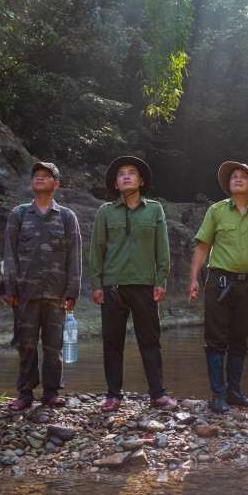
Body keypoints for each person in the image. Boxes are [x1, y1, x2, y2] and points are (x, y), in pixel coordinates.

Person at [187, 161, 248, 413]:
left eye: (243, 177)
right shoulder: (216, 211)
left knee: (240, 339)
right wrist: (193, 277)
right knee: (216, 340)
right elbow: (203, 246)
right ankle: (217, 393)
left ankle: (234, 392)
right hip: (219, 283)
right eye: (233, 177)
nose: (237, 179)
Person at [90, 155, 179, 413]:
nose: (126, 176)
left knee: (150, 339)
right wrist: (97, 284)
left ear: (141, 181)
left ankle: (158, 394)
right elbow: (97, 250)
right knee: (112, 341)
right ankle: (113, 395)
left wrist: (161, 279)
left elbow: (162, 248)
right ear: (116, 184)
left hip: (144, 284)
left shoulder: (155, 209)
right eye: (121, 174)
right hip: (113, 285)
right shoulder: (105, 211)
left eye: (132, 173)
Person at [2, 162, 82, 411]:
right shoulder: (19, 214)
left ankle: (51, 392)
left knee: (53, 344)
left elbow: (75, 256)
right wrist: (9, 289)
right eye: (36, 176)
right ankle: (25, 393)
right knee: (25, 344)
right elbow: (9, 253)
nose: (39, 179)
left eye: (45, 176)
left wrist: (72, 292)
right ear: (30, 183)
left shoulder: (67, 216)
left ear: (56, 184)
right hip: (24, 293)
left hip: (56, 294)